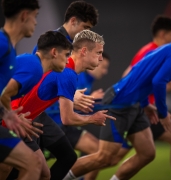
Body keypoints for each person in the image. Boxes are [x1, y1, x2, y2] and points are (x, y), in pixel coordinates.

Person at [63, 40, 171, 180]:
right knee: (104, 157)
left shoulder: (168, 50)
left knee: (147, 153)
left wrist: (144, 103)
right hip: (119, 102)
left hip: (134, 104)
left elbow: (141, 76)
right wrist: (163, 113)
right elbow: (158, 81)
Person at [7, 30, 115, 180]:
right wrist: (92, 119)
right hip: (15, 121)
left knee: (43, 170)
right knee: (28, 169)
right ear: (84, 51)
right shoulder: (67, 73)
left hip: (25, 119)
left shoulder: (62, 68)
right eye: (98, 53)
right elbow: (68, 119)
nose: (101, 58)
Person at [109, 15, 171, 180]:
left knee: (113, 157)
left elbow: (130, 74)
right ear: (162, 34)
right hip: (139, 110)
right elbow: (130, 77)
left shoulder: (153, 51)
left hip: (142, 108)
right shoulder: (151, 51)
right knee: (108, 157)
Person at [45, 52, 110, 180]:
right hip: (54, 125)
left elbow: (76, 106)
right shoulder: (74, 75)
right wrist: (90, 99)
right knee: (34, 167)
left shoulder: (87, 79)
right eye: (102, 66)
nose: (105, 71)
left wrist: (92, 101)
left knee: (99, 153)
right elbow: (62, 101)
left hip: (67, 125)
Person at [0, 0, 42, 180]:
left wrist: (6, 114)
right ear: (25, 15)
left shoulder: (8, 47)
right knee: (33, 164)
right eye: (35, 16)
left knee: (33, 163)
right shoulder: (2, 43)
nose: (36, 22)